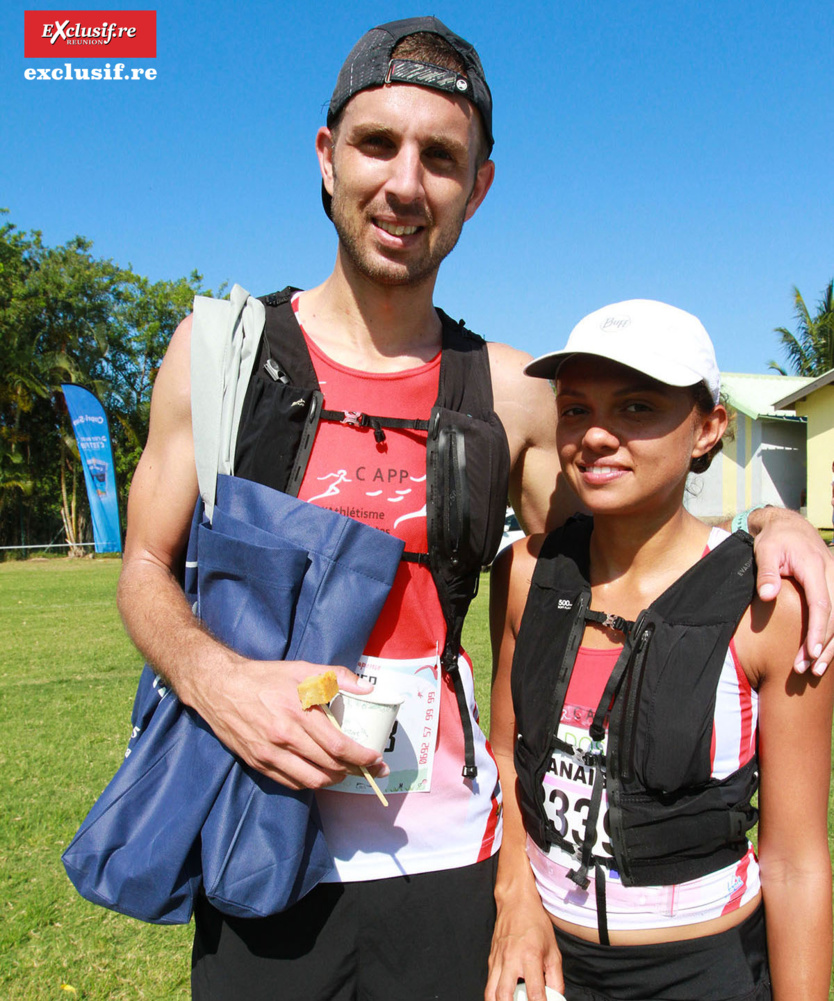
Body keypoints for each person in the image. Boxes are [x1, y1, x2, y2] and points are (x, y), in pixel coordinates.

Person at [116, 17, 834, 1001]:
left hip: (445, 865)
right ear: (327, 159)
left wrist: (772, 522)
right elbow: (144, 569)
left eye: (441, 158)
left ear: (477, 187)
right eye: (378, 144)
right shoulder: (218, 355)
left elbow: (643, 526)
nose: (405, 183)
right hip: (259, 843)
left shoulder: (510, 393)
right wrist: (214, 677)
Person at [486, 300, 834, 1001]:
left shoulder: (768, 605)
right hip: (549, 961)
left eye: (638, 407)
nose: (597, 436)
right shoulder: (525, 573)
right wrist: (516, 897)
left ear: (709, 429)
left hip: (704, 970)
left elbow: (796, 861)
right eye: (576, 409)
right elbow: (504, 753)